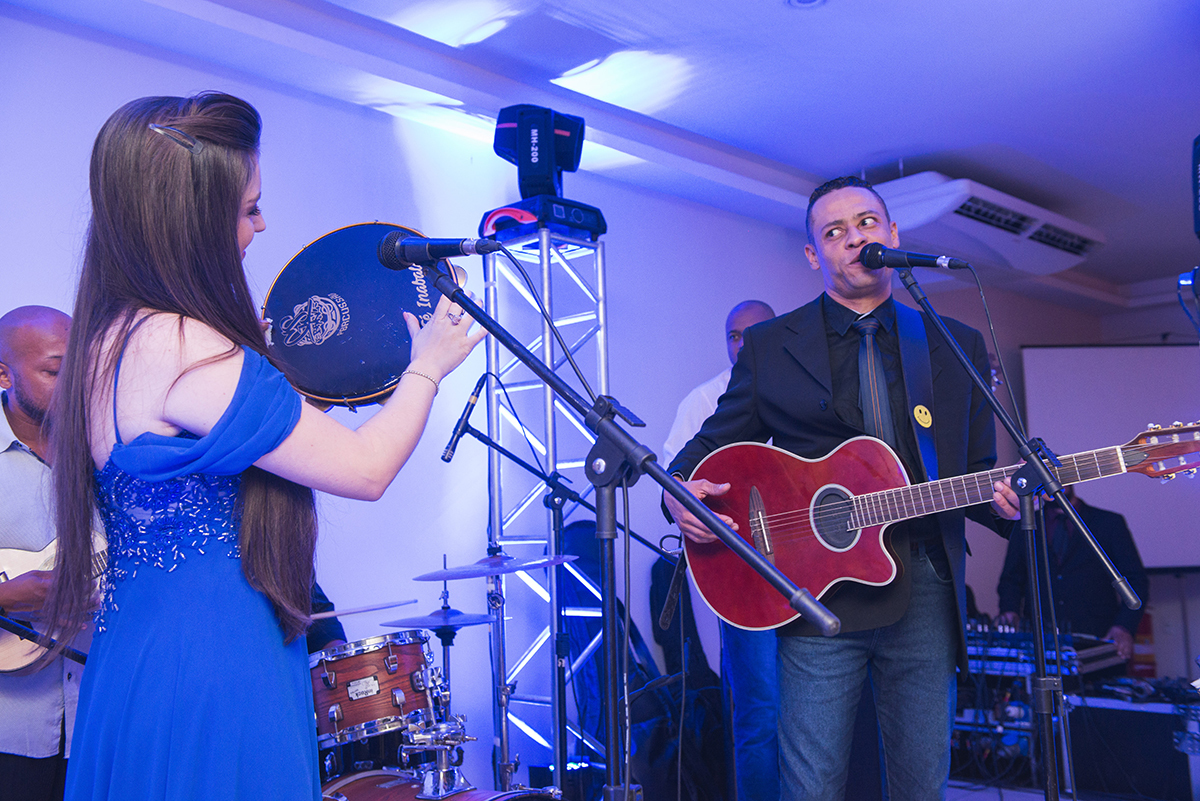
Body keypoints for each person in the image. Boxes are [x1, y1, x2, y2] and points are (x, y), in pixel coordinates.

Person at [41, 92, 484, 801]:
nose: (261, 224)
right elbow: (365, 468)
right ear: (194, 222)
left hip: (132, 660)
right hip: (216, 663)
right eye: (248, 208)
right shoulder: (189, 347)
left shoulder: (105, 342)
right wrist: (428, 364)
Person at [663, 176, 1020, 801]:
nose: (854, 239)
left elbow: (978, 470)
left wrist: (1009, 500)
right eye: (834, 233)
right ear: (814, 256)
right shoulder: (773, 346)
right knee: (811, 785)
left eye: (866, 224)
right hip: (817, 592)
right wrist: (677, 495)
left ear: (892, 235)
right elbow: (700, 451)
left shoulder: (951, 343)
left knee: (921, 782)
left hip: (926, 585)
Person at [663, 300, 779, 801]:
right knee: (759, 712)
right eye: (734, 336)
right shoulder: (701, 402)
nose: (743, 343)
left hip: (812, 567)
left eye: (754, 333)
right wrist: (679, 503)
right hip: (743, 579)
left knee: (817, 712)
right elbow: (671, 485)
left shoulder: (800, 391)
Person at [0, 306, 76, 801]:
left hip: (99, 725)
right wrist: (7, 597)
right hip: (10, 732)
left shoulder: (110, 453)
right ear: (2, 374)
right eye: (53, 371)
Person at [996, 486, 1148, 663]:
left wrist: (1124, 626)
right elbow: (1011, 578)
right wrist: (1009, 610)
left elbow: (1136, 581)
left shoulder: (1108, 522)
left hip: (1099, 637)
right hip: (1041, 639)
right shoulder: (1026, 524)